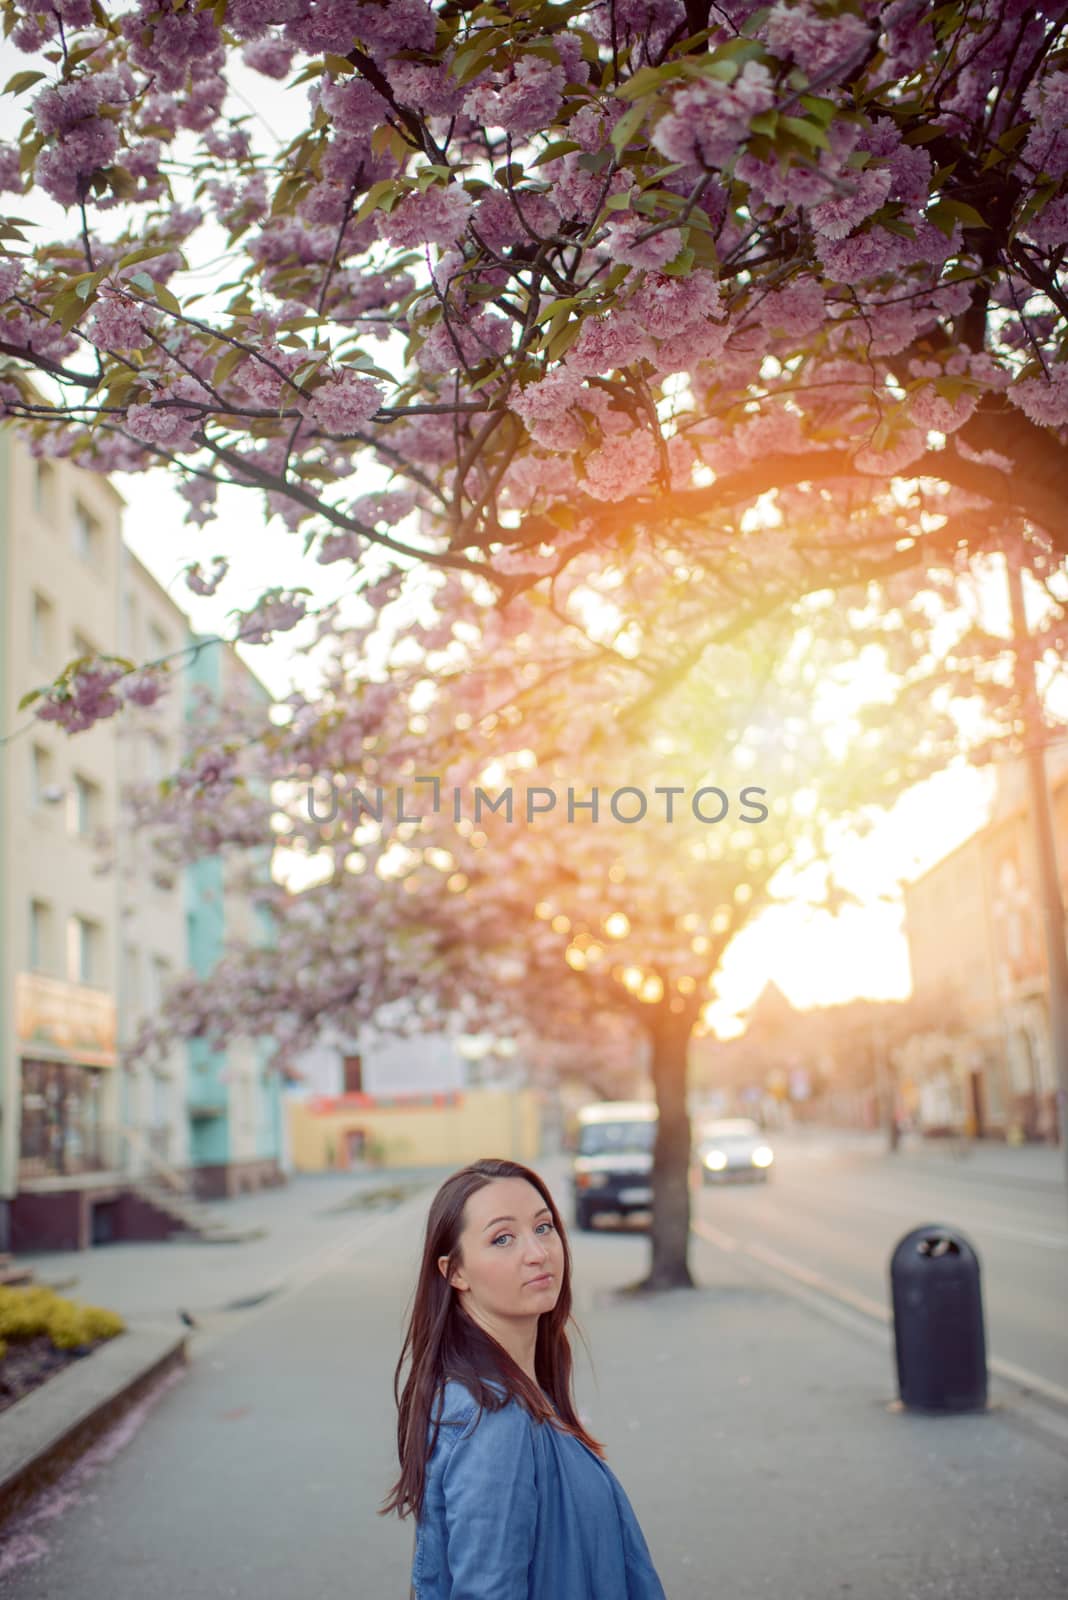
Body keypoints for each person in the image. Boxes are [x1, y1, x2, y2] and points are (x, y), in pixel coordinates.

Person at [380, 1156, 668, 1599]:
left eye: (543, 1227)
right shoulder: (493, 1421)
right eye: (502, 1238)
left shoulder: (514, 1393)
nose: (537, 1253)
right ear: (454, 1272)